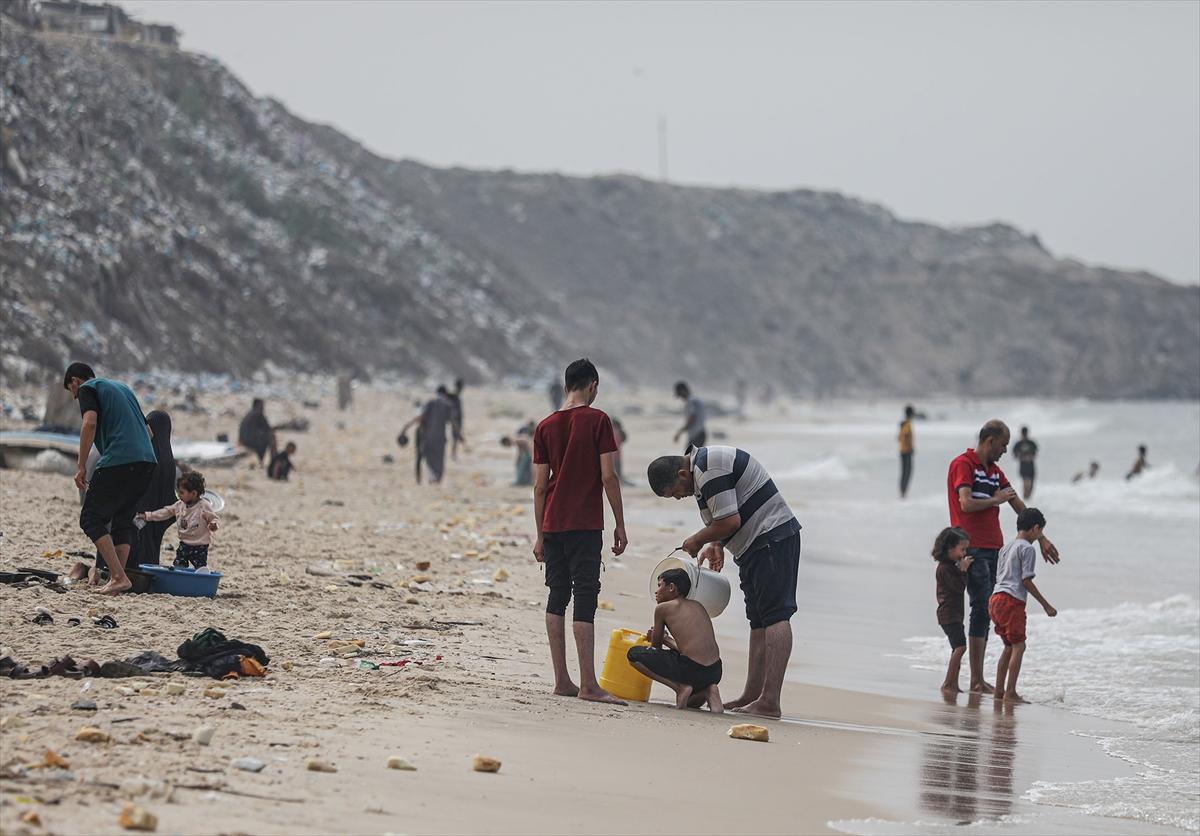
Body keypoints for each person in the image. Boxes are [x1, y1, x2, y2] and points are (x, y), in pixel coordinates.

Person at [646, 445, 801, 719]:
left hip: (771, 538)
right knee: (759, 620)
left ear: (682, 474)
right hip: (754, 545)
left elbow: (730, 520)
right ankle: (753, 694)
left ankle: (770, 700)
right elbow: (726, 513)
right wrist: (716, 542)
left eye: (676, 493)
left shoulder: (708, 468)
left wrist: (698, 539)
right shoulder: (701, 471)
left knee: (776, 616)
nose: (680, 498)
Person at [532, 358, 628, 705]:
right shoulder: (598, 420)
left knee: (557, 595)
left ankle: (562, 680)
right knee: (585, 596)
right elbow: (608, 476)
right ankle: (589, 684)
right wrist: (619, 522)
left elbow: (540, 486)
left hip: (552, 522)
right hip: (585, 523)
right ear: (594, 385)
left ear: (565, 385)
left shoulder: (544, 426)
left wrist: (540, 534)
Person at [947, 420, 1060, 694]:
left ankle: (982, 680)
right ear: (989, 441)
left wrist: (1042, 537)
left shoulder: (995, 472)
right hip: (971, 546)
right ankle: (976, 680)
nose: (1005, 451)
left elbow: (1017, 504)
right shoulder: (963, 464)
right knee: (980, 608)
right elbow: (965, 503)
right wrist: (994, 500)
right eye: (1003, 445)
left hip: (995, 548)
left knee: (987, 610)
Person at [65, 362, 157, 596]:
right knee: (122, 519)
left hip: (120, 460)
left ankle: (118, 576)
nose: (76, 397)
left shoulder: (88, 388)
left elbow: (89, 423)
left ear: (75, 381)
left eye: (72, 392)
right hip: (147, 462)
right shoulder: (123, 389)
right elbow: (149, 433)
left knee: (90, 518)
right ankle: (118, 579)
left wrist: (81, 466)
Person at [627, 568, 724, 712]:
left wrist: (657, 637)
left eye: (659, 585)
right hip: (715, 671)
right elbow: (690, 650)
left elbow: (656, 649)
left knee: (633, 655)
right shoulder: (698, 606)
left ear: (671, 587)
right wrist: (668, 640)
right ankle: (710, 689)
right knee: (692, 702)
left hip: (692, 669)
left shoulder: (663, 608)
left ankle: (679, 687)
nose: (656, 591)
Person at [989, 508, 1057, 703]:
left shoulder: (1006, 547)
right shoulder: (1027, 548)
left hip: (995, 599)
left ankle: (999, 691)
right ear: (1036, 529)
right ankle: (1010, 692)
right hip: (1012, 601)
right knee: (1019, 646)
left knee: (1008, 647)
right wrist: (1046, 605)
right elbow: (1026, 581)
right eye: (1040, 532)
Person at [137, 471, 220, 569]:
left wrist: (213, 525)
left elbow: (214, 518)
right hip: (184, 544)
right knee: (179, 565)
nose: (179, 495)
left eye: (182, 492)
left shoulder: (204, 506)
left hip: (200, 546)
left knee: (200, 567)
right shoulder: (179, 505)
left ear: (193, 493)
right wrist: (148, 516)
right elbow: (165, 512)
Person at [128, 410, 179, 569]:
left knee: (137, 541)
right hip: (159, 511)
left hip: (142, 509)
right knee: (152, 544)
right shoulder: (169, 458)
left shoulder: (146, 452)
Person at [931, 527, 973, 694]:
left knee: (957, 647)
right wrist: (963, 570)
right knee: (960, 648)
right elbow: (958, 588)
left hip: (954, 614)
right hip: (948, 614)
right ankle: (948, 683)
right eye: (961, 549)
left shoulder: (949, 566)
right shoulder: (944, 568)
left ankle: (953, 683)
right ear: (949, 548)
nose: (963, 554)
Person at [399, 387, 461, 484]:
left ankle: (424, 479)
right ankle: (436, 479)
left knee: (426, 458)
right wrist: (459, 434)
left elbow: (420, 417)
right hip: (440, 439)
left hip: (428, 437)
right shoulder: (447, 406)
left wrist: (406, 427)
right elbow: (453, 422)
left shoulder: (431, 403)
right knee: (439, 460)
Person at [237, 398, 275, 466]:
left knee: (265, 436)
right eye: (262, 405)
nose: (263, 407)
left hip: (243, 440)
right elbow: (267, 428)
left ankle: (263, 460)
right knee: (270, 437)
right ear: (258, 405)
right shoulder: (258, 413)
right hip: (251, 441)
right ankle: (273, 460)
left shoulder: (249, 414)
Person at [1011, 426, 1039, 499]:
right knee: (1026, 485)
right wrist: (1022, 458)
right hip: (1023, 467)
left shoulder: (1032, 443)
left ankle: (1027, 501)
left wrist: (1030, 457)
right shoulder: (1018, 444)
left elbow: (1035, 454)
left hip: (1031, 466)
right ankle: (1025, 502)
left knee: (1031, 487)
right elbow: (1014, 455)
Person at [898, 404, 916, 499]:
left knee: (904, 472)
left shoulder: (903, 423)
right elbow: (905, 436)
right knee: (907, 472)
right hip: (906, 452)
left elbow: (899, 437)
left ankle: (902, 492)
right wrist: (910, 447)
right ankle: (903, 493)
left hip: (902, 450)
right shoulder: (907, 424)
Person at [611, 416, 634, 487]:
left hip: (611, 455)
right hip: (616, 455)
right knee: (617, 471)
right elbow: (623, 440)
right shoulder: (617, 432)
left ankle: (619, 482)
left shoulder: (611, 432)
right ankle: (620, 481)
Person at [447, 378, 465, 461]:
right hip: (455, 420)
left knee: (456, 438)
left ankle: (453, 455)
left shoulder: (455, 395)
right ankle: (453, 455)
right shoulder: (454, 396)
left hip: (457, 419)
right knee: (455, 437)